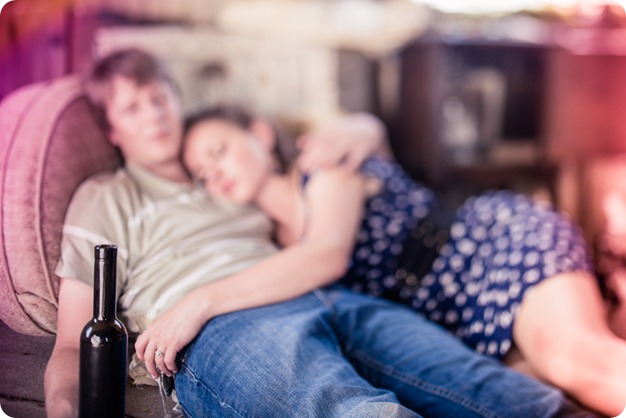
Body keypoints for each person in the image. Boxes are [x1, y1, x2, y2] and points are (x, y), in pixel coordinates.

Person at [44, 48, 594, 418]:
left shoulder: (230, 179)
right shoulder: (106, 195)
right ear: (112, 129)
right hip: (222, 326)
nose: (154, 116)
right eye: (132, 108)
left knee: (513, 398)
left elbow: (337, 174)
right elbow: (72, 343)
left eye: (160, 98)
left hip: (328, 295)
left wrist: (365, 125)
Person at [181, 104, 626, 417]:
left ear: (259, 133)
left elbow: (326, 255)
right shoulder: (268, 242)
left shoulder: (325, 166)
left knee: (572, 359)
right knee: (535, 394)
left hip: (484, 249)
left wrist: (200, 302)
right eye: (200, 173)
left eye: (217, 151)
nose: (213, 173)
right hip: (446, 316)